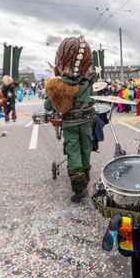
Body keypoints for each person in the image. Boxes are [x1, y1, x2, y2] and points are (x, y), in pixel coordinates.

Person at [44, 36, 97, 202]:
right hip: (88, 121)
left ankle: (79, 187)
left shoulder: (58, 85)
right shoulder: (87, 82)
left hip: (70, 123)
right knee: (86, 149)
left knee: (73, 152)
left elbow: (47, 106)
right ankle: (85, 178)